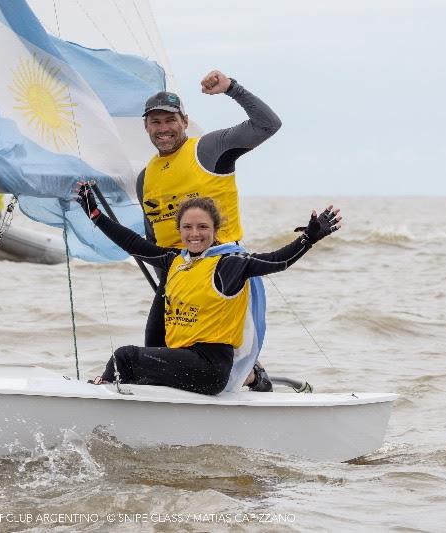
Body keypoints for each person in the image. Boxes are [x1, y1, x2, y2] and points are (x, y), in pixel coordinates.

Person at [76, 185, 340, 395]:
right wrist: (95, 214)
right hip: (184, 360)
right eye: (187, 227)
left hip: (209, 367)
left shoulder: (229, 265)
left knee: (124, 358)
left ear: (215, 231)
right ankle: (255, 378)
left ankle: (98, 396)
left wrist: (308, 239)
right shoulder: (175, 261)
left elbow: (276, 260)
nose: (194, 234)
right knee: (138, 376)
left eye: (202, 227)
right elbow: (131, 242)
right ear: (179, 230)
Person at [137, 70, 282, 390]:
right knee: (154, 350)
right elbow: (152, 237)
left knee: (220, 359)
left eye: (170, 120)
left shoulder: (209, 150)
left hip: (221, 271)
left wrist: (232, 88)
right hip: (176, 276)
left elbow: (268, 125)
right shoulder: (145, 177)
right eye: (155, 122)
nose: (163, 129)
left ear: (185, 121)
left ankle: (254, 377)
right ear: (145, 126)